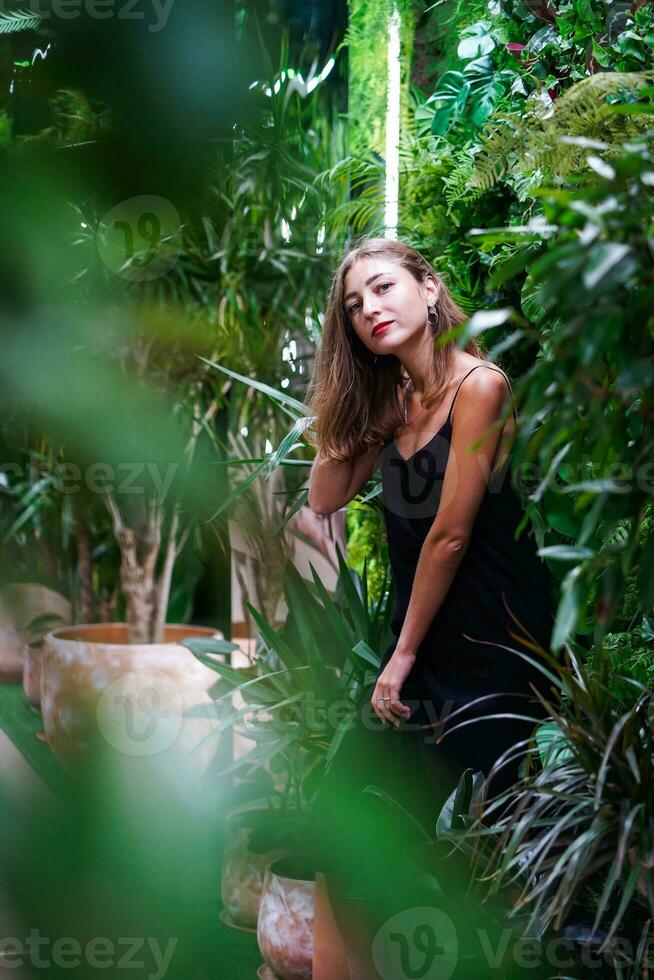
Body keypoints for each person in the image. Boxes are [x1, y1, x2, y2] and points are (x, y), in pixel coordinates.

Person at [305, 237, 556, 975]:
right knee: (344, 821)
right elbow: (324, 495)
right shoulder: (394, 403)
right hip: (420, 647)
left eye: (383, 289)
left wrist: (401, 658)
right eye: (354, 306)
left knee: (486, 858)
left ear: (428, 286)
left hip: (491, 649)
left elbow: (449, 536)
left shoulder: (481, 385)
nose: (370, 310)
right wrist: (349, 397)